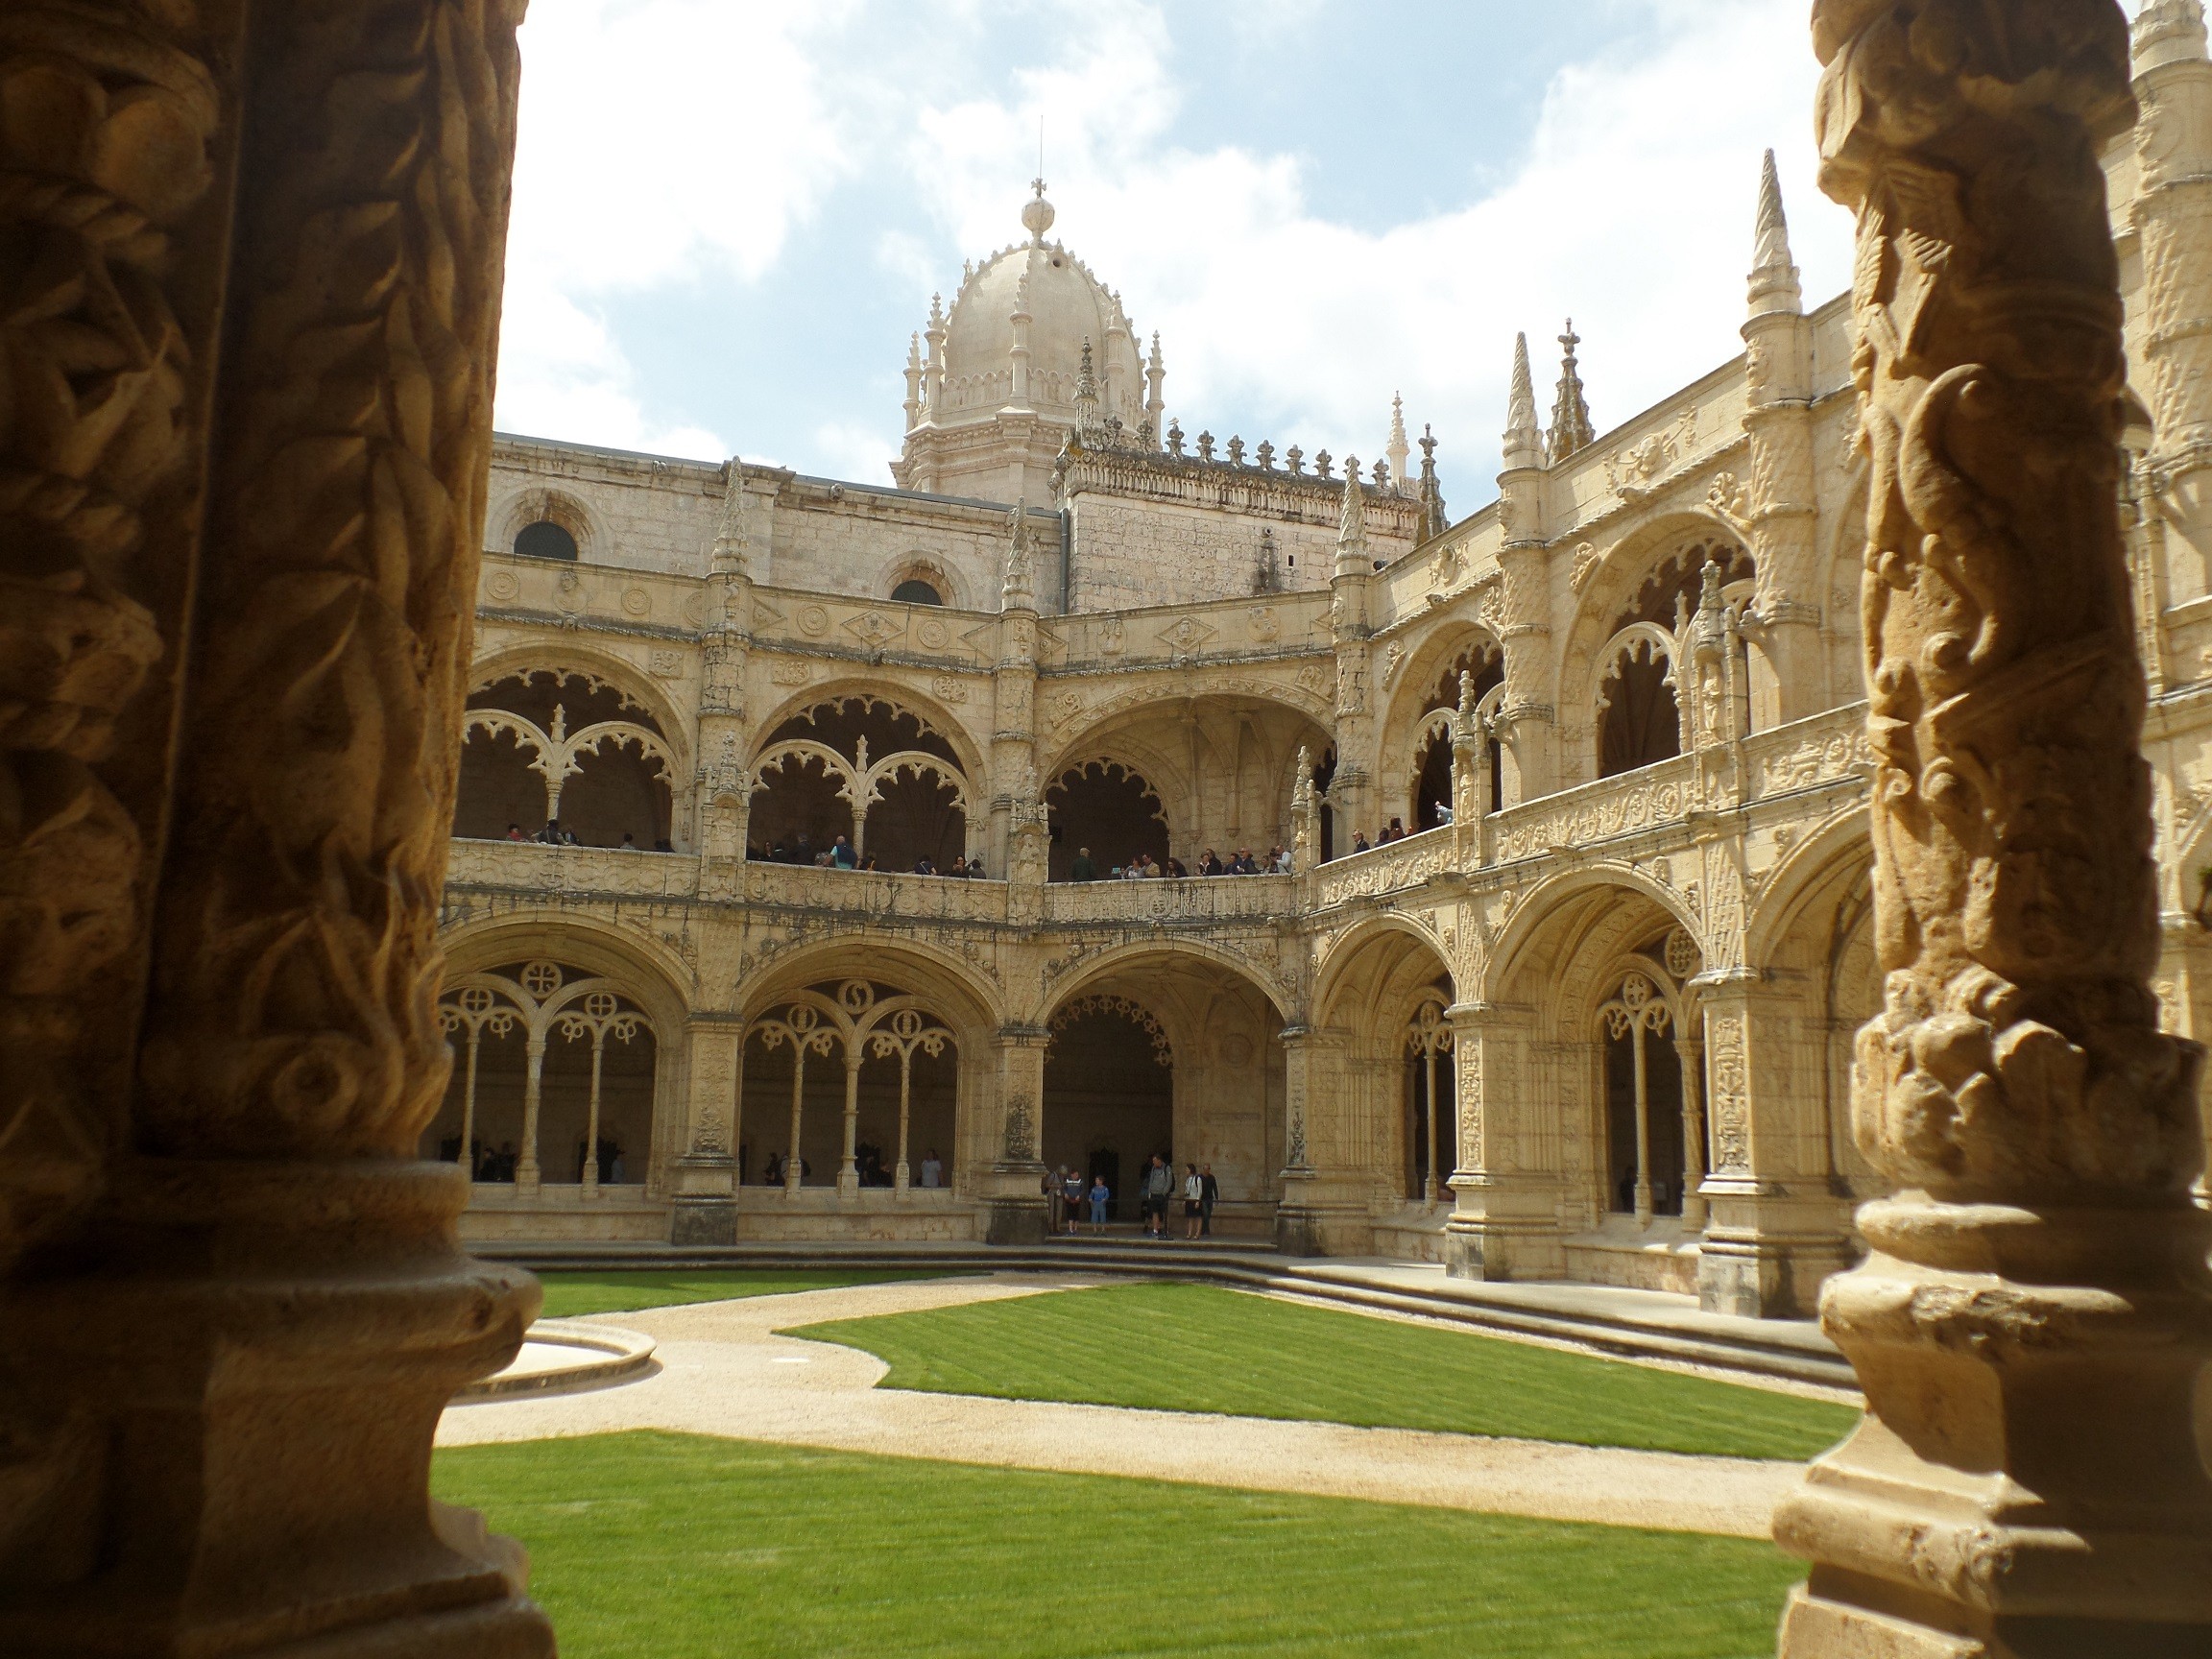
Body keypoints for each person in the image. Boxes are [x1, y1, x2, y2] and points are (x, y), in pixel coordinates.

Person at [1142, 1155, 1174, 1238]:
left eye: (1154, 1161)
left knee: (1165, 1212)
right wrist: (1149, 1191)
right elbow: (1151, 1180)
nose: (1153, 1163)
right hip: (1154, 1193)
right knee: (1155, 1212)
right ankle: (1155, 1230)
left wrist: (1164, 1192)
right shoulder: (1153, 1168)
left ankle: (1166, 1230)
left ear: (1159, 1160)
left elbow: (1169, 1181)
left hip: (1162, 1194)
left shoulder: (1167, 1168)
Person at [1183, 1163, 1205, 1240]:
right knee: (1190, 1217)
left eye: (1187, 1169)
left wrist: (1198, 1200)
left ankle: (1197, 1234)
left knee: (1198, 1217)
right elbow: (1186, 1190)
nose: (1186, 1171)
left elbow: (1200, 1191)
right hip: (1189, 1200)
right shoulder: (1188, 1179)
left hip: (1195, 1200)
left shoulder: (1197, 1178)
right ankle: (1189, 1233)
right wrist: (1185, 1200)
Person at [1061, 1166, 1085, 1237]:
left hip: (1077, 1201)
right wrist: (1065, 1193)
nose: (1077, 1176)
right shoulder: (1067, 1181)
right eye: (1075, 1174)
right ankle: (1070, 1229)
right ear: (1072, 1174)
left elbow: (1082, 1190)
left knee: (1076, 1215)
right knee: (1070, 1215)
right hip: (1069, 1200)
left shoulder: (1080, 1181)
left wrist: (1079, 1195)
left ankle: (1075, 1229)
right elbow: (1064, 1188)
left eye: (1077, 1174)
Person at [1199, 1164, 1219, 1235]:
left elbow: (1215, 1188)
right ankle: (1205, 1230)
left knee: (1208, 1214)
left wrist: (1217, 1197)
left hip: (1210, 1198)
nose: (1206, 1171)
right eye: (1205, 1169)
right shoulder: (1199, 1177)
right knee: (1205, 1213)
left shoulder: (1212, 1178)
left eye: (1207, 1169)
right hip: (1203, 1199)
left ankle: (1204, 1229)